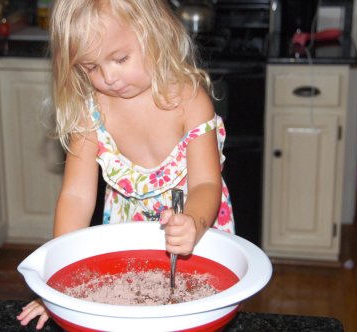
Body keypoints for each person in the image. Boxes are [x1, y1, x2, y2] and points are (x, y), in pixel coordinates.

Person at [17, 0, 235, 329]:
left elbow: (205, 185)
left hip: (196, 236)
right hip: (125, 242)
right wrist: (57, 284)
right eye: (90, 67)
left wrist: (192, 222)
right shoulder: (89, 114)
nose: (108, 77)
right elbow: (76, 198)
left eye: (120, 59)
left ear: (155, 34)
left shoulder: (189, 102)